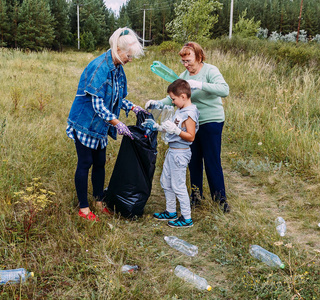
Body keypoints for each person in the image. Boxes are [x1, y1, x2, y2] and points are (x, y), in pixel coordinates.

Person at [67, 28, 148, 221]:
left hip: (101, 126)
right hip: (85, 123)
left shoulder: (118, 69)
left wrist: (133, 107)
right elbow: (98, 104)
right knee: (85, 163)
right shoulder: (99, 68)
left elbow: (117, 98)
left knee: (100, 163)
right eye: (129, 55)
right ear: (118, 50)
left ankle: (98, 201)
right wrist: (117, 123)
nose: (130, 59)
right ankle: (84, 208)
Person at [145, 42, 230, 212]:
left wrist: (199, 85)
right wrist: (157, 103)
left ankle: (220, 200)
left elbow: (224, 90)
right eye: (183, 61)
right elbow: (174, 98)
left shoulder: (210, 71)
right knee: (193, 161)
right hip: (191, 123)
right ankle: (196, 197)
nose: (186, 64)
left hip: (211, 120)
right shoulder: (183, 76)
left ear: (199, 56)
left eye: (188, 60)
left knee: (212, 161)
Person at [143, 79, 199, 228]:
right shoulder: (180, 110)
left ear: (183, 96)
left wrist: (177, 131)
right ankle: (171, 211)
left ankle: (186, 218)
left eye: (173, 99)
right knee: (165, 181)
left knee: (178, 185)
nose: (172, 102)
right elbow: (172, 128)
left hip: (180, 154)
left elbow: (191, 136)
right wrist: (158, 127)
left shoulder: (190, 112)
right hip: (172, 152)